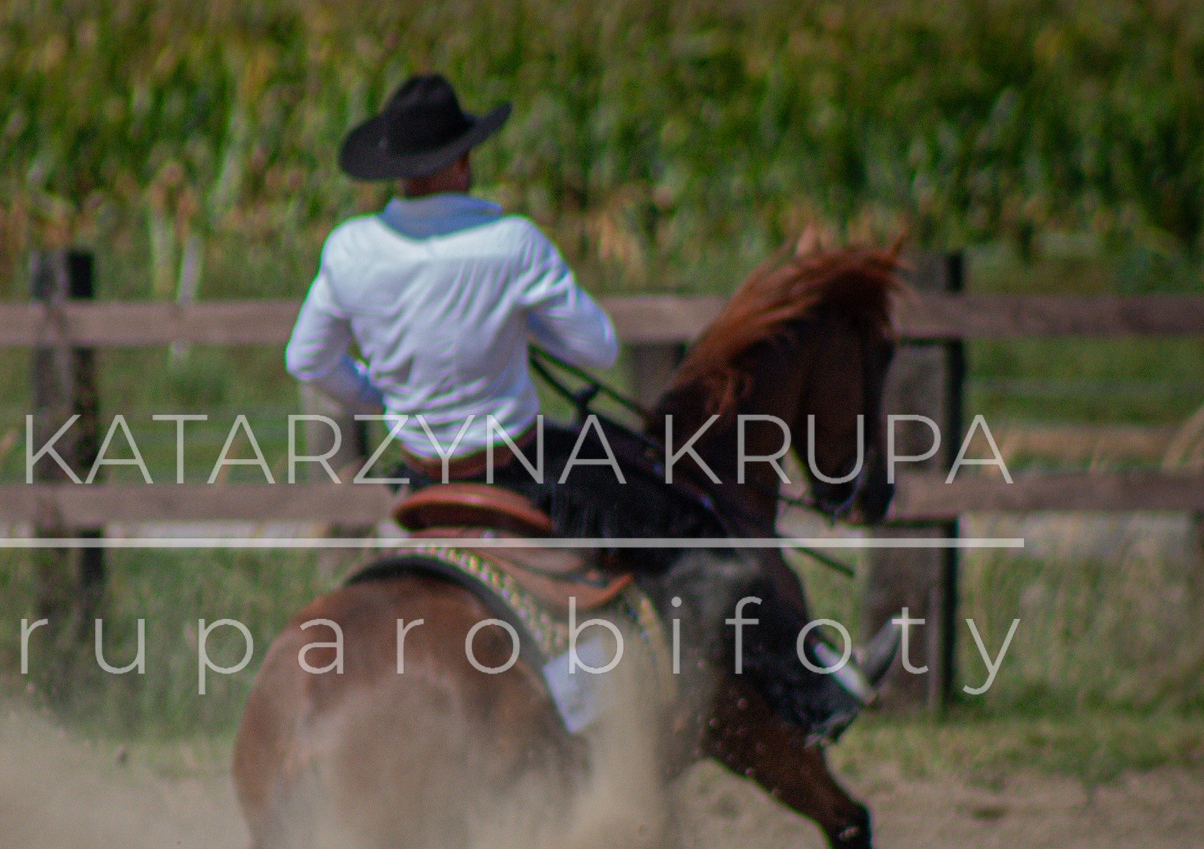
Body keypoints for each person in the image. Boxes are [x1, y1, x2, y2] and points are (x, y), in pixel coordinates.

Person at [284, 73, 892, 740]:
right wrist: (516, 324)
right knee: (702, 533)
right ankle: (815, 688)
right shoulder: (510, 243)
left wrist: (382, 393)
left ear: (396, 171)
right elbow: (596, 347)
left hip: (420, 476)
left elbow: (307, 361)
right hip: (518, 467)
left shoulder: (348, 249)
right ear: (460, 161)